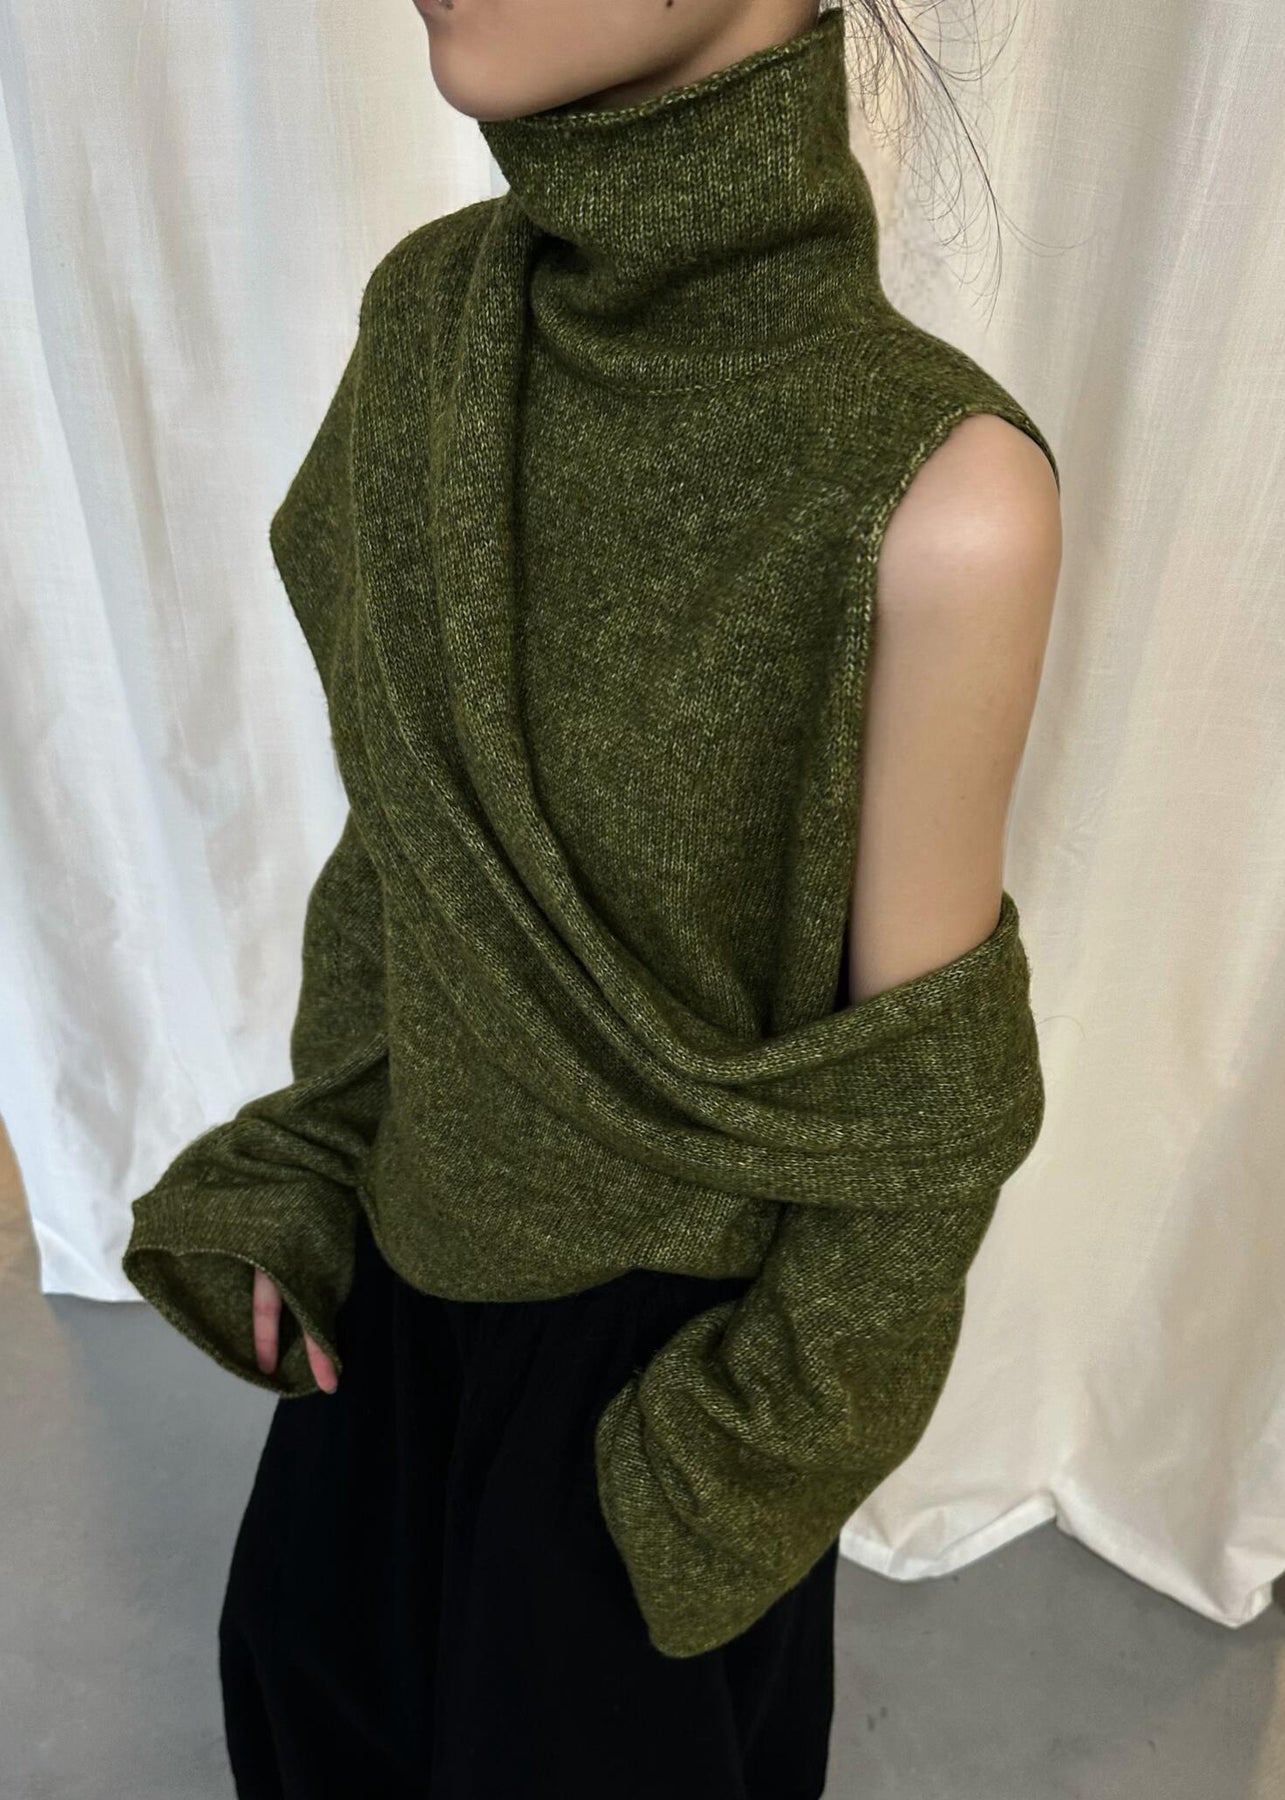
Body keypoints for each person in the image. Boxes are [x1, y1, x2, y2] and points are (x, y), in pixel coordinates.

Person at [122, 1, 1062, 1794]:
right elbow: (407, 843)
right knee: (305, 1701)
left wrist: (726, 1468)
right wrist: (314, 1157)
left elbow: (921, 1104)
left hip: (659, 1374)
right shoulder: (433, 326)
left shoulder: (942, 494)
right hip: (398, 1298)